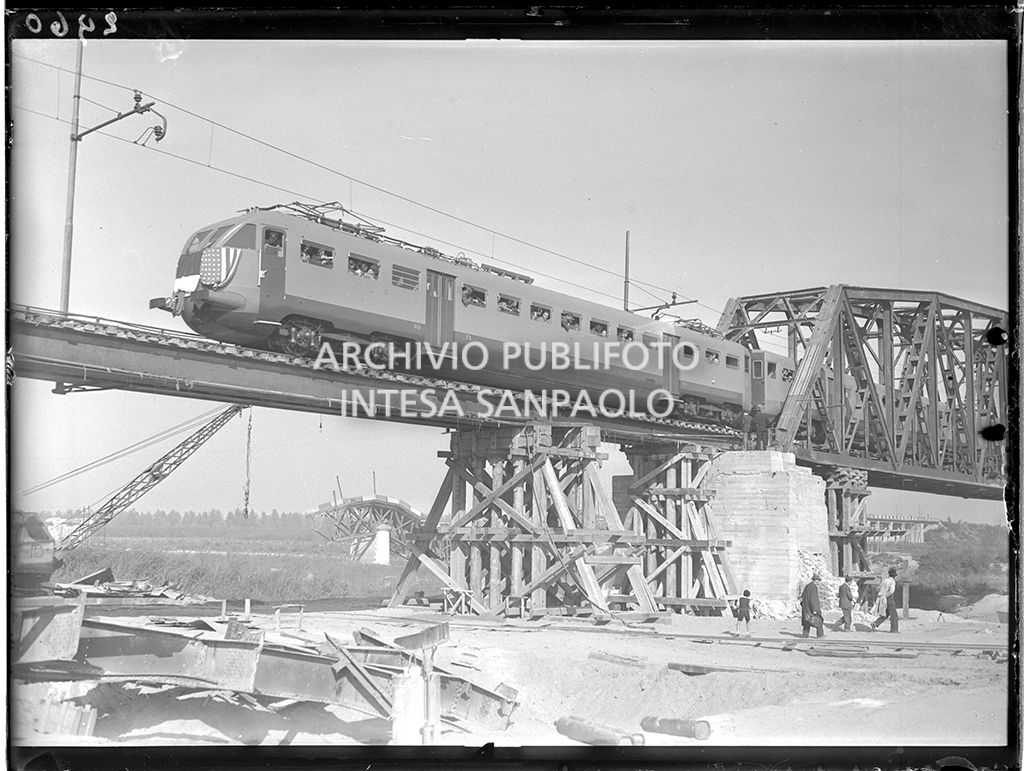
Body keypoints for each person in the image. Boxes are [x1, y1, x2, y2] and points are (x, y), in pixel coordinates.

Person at [871, 567, 900, 633]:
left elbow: (879, 588)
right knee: (894, 615)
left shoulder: (884, 581)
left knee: (886, 614)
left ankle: (875, 623)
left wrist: (882, 596)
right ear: (894, 576)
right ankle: (894, 629)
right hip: (889, 598)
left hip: (882, 599)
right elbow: (891, 591)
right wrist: (885, 595)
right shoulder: (892, 582)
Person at [800, 573, 825, 638]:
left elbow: (803, 596)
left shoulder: (807, 586)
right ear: (816, 580)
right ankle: (820, 635)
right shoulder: (813, 587)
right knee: (819, 621)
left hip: (806, 607)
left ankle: (805, 635)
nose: (818, 582)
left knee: (806, 621)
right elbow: (813, 599)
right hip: (811, 608)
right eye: (818, 581)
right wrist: (815, 609)